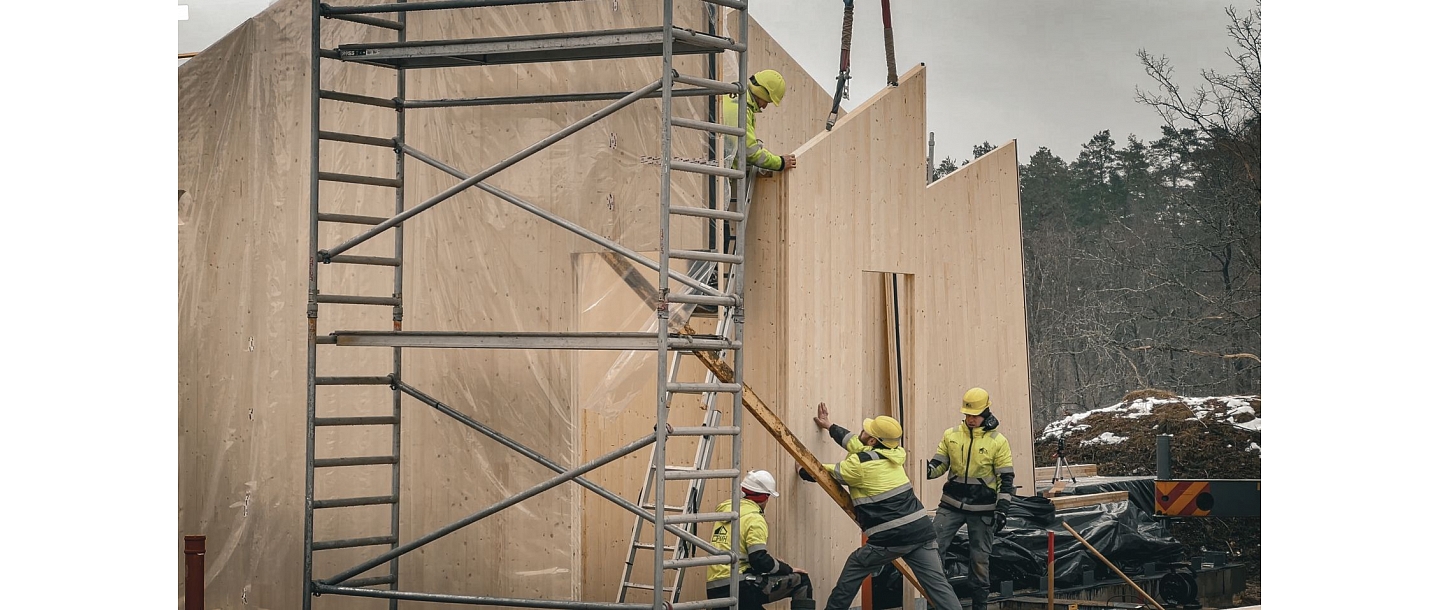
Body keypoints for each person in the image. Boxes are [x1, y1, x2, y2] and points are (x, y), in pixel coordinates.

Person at [798, 403, 963, 610]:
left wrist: (803, 469)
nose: (863, 431)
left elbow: (824, 472)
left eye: (868, 431)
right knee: (939, 587)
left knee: (856, 564)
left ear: (873, 440)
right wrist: (830, 426)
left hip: (891, 537)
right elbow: (856, 443)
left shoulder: (859, 466)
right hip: (921, 532)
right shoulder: (893, 454)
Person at [926, 387, 1016, 610]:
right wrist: (922, 471)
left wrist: (1002, 509)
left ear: (986, 412)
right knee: (933, 547)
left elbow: (1006, 479)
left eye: (974, 415)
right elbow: (938, 465)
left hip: (983, 509)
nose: (970, 419)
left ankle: (979, 606)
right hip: (951, 503)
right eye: (967, 415)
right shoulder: (951, 435)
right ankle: (936, 600)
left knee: (979, 560)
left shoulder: (998, 441)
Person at [705, 469, 816, 610]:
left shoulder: (728, 512)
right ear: (765, 497)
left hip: (716, 590)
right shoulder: (755, 518)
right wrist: (787, 568)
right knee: (801, 581)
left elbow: (745, 558)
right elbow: (759, 560)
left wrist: (771, 565)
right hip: (740, 588)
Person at [721, 69, 798, 173]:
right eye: (766, 101)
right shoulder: (741, 109)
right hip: (719, 173)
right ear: (762, 93)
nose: (764, 106)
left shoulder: (734, 97)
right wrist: (780, 162)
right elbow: (749, 151)